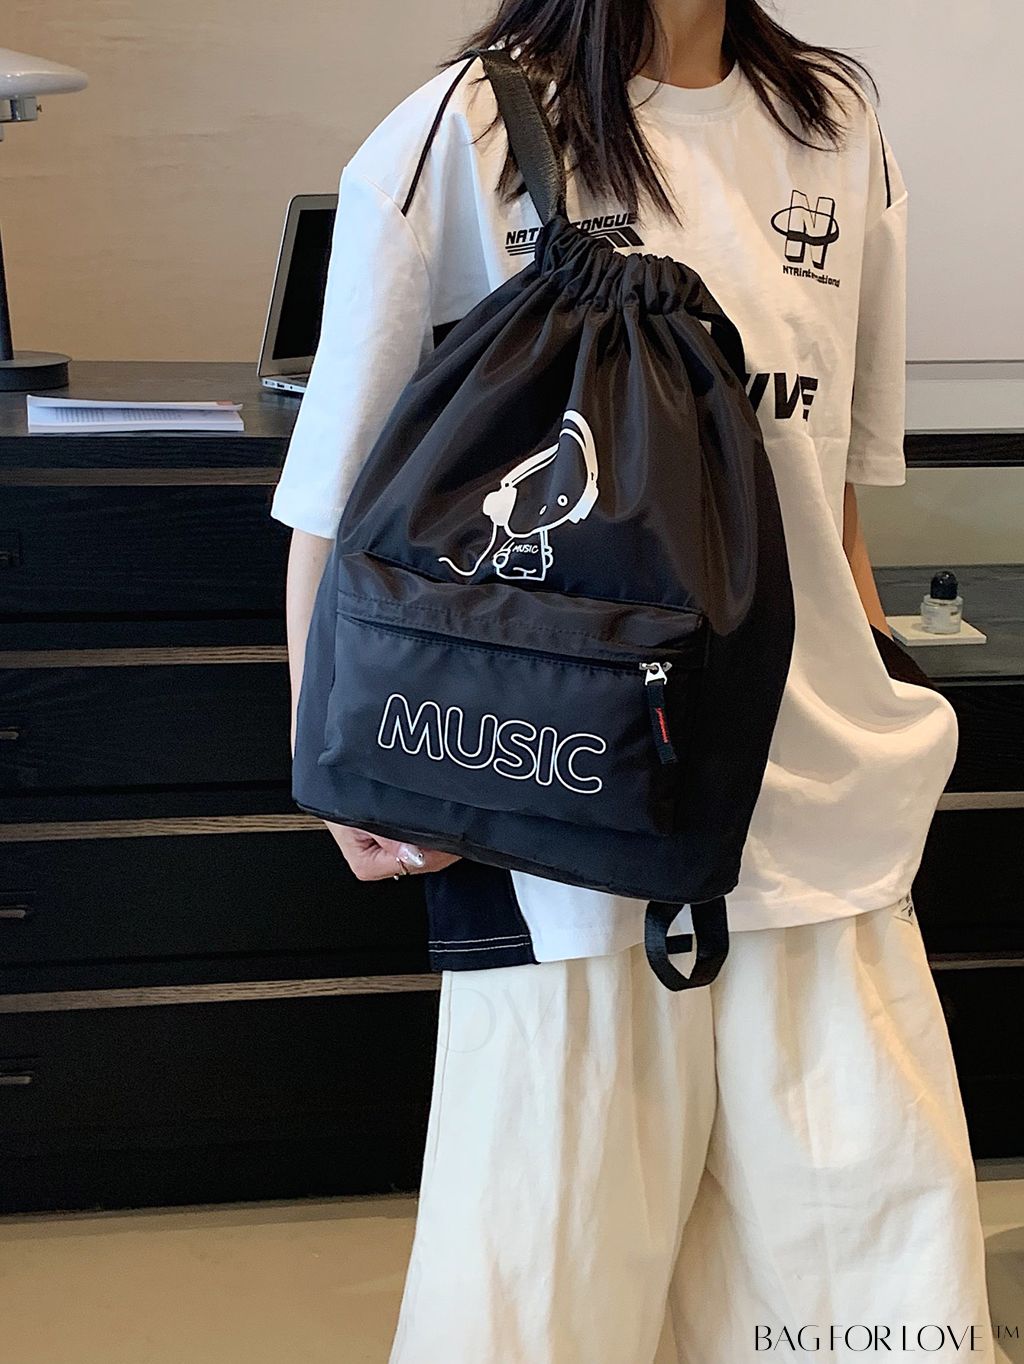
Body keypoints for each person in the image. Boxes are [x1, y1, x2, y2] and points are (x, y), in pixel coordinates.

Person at [270, 1, 994, 1359]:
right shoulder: (467, 132)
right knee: (548, 1309)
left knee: (870, 1302)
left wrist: (882, 701)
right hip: (561, 838)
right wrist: (336, 771)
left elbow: (830, 500)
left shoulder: (835, 130)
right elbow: (332, 501)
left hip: (819, 828)